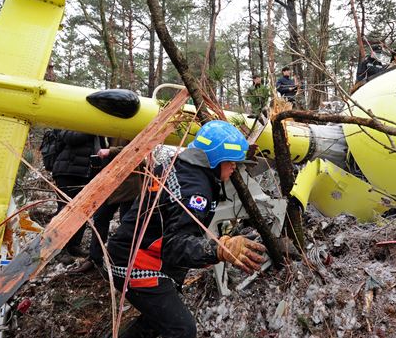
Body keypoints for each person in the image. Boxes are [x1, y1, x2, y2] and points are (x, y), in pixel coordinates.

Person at [106, 120, 267, 338]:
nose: (234, 167)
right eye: (231, 162)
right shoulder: (194, 191)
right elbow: (175, 245)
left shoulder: (183, 166)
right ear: (216, 159)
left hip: (138, 252)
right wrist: (218, 249)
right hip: (135, 262)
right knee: (182, 330)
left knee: (156, 322)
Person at [68, 138, 140, 274]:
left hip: (129, 184)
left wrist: (111, 151)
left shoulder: (132, 124)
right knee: (100, 218)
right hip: (109, 182)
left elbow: (140, 149)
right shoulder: (105, 131)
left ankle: (125, 263)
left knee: (127, 224)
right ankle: (95, 259)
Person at [51, 130, 107, 263]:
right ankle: (58, 249)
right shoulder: (73, 118)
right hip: (68, 171)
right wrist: (92, 128)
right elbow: (69, 137)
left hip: (87, 173)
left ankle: (73, 245)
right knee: (65, 210)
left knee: (82, 212)